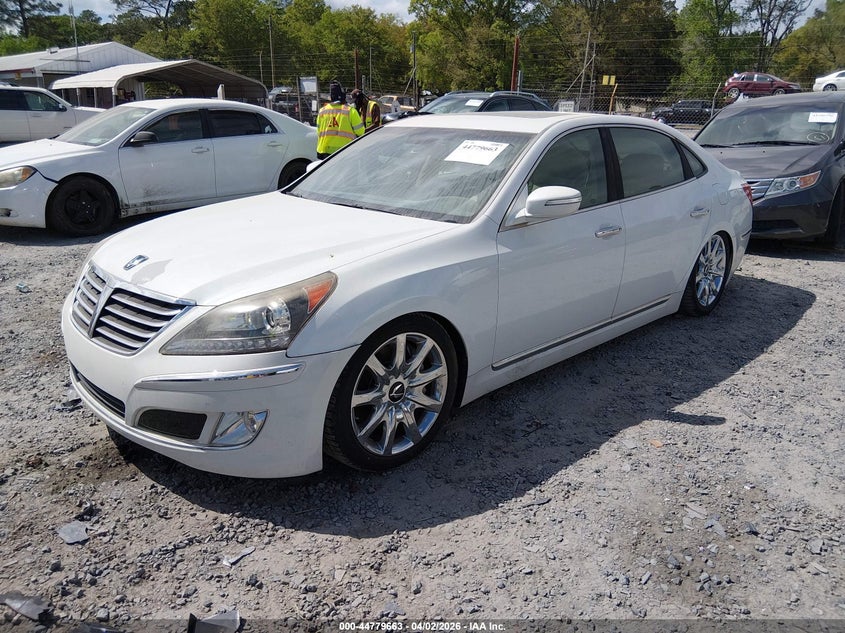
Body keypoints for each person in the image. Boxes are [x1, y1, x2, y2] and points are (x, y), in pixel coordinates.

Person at [316, 80, 364, 159]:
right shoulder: (350, 111)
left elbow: (319, 131)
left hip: (324, 152)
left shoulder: (322, 111)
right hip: (345, 152)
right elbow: (361, 131)